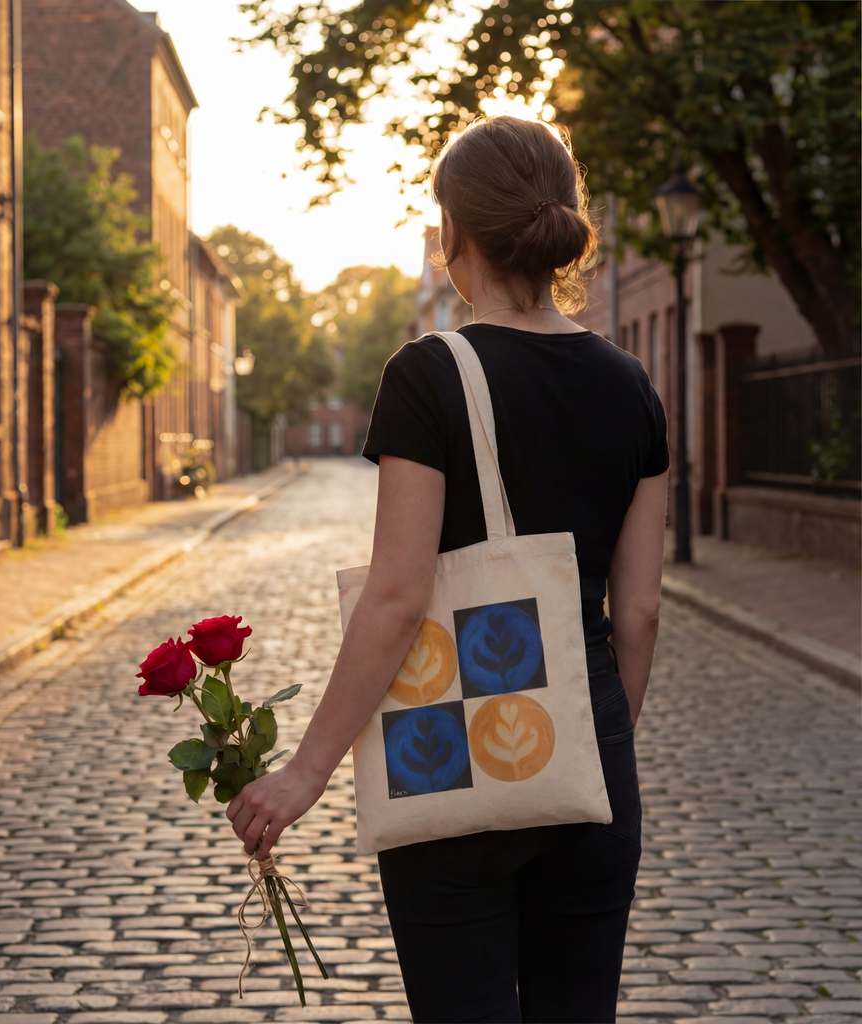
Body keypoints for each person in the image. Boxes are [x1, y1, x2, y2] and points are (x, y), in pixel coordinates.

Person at [227, 115, 669, 1023]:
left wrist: (308, 770)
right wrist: (594, 743)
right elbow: (642, 614)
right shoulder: (632, 384)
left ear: (454, 234)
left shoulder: (430, 373)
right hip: (592, 766)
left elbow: (397, 595)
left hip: (450, 764)